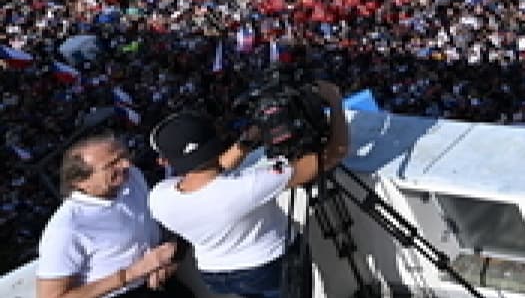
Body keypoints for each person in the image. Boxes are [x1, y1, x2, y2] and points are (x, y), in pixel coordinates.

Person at [146, 82, 350, 298]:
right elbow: (334, 153)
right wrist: (335, 102)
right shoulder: (248, 186)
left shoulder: (158, 198)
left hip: (216, 275)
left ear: (164, 161)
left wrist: (250, 138)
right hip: (269, 267)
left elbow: (211, 171)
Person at [34, 134, 184, 298]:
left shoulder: (132, 177)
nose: (126, 164)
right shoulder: (67, 228)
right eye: (112, 164)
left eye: (125, 156)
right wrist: (132, 273)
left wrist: (166, 257)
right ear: (81, 181)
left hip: (162, 278)